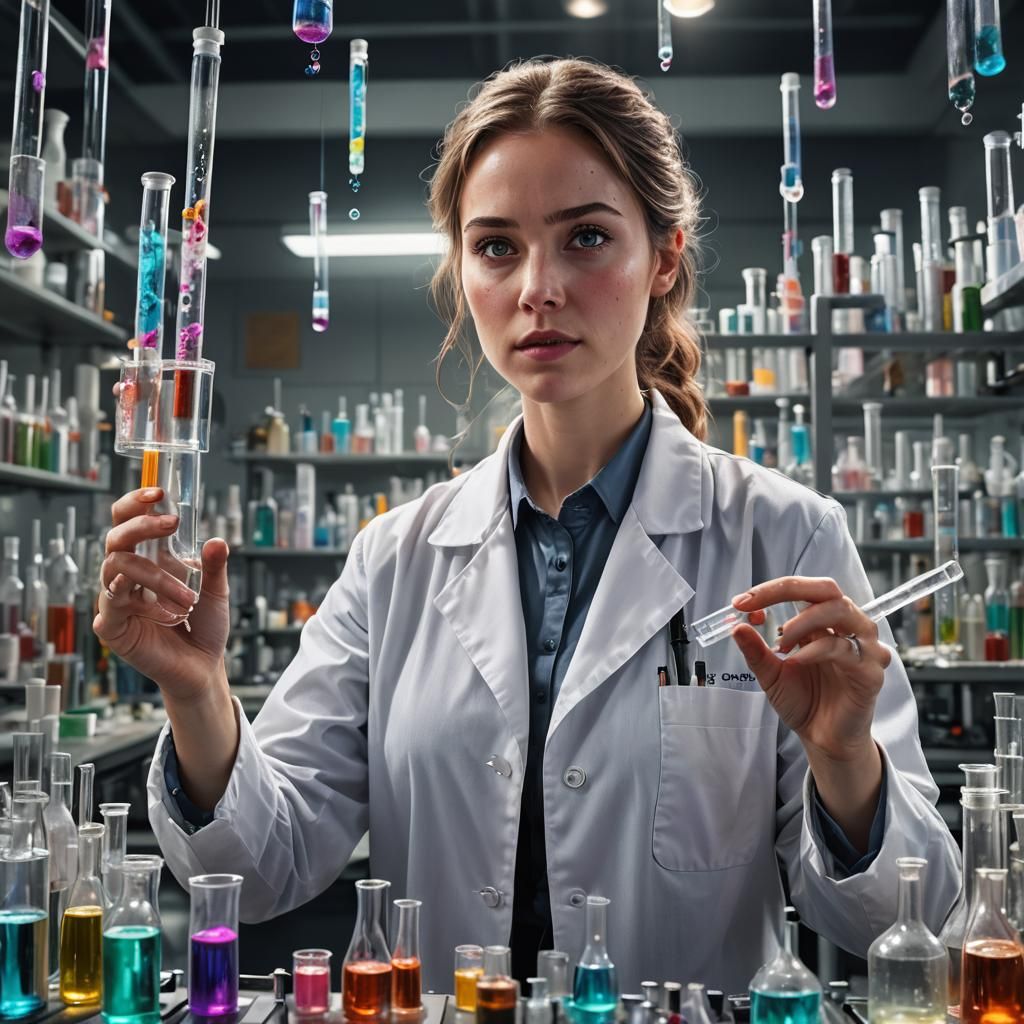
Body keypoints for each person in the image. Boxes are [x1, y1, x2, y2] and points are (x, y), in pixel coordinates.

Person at [95, 58, 959, 993]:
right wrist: (197, 694)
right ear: (463, 271)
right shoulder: (395, 560)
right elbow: (264, 868)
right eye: (498, 247)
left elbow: (891, 920)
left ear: (664, 257)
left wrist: (845, 762)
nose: (538, 288)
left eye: (586, 237)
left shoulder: (783, 537)